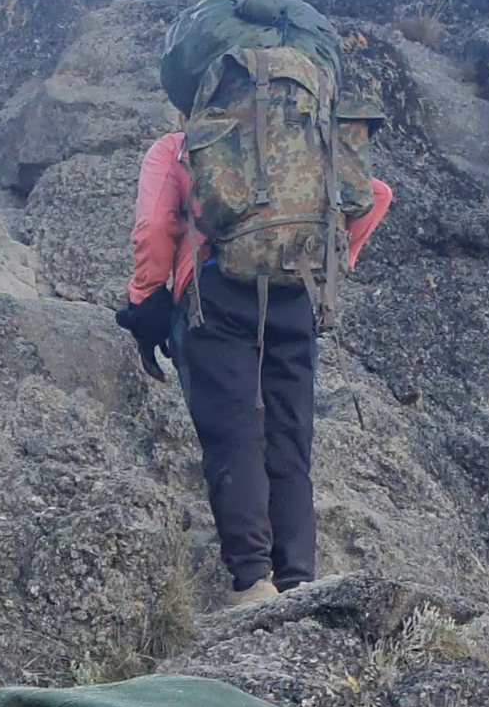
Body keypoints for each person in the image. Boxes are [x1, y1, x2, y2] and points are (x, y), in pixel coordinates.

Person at [121, 125, 392, 606]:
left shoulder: (181, 145)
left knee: (235, 433)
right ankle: (298, 576)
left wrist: (146, 299)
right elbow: (375, 194)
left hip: (216, 293)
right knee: (289, 437)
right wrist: (336, 259)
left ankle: (251, 580)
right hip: (295, 296)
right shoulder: (309, 145)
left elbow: (155, 229)